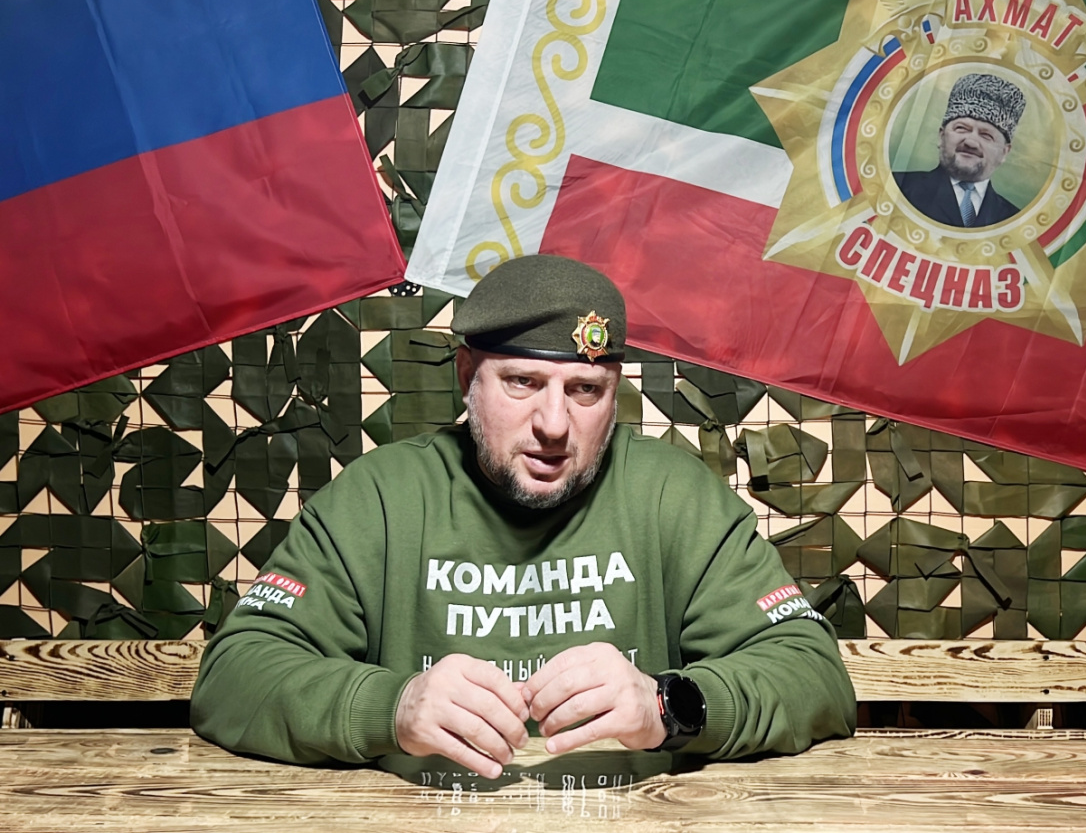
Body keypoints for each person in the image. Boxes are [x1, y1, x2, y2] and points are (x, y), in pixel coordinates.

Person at [190, 254, 856, 779]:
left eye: (585, 390)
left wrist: (667, 706)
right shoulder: (380, 500)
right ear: (467, 378)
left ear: (615, 393)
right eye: (522, 383)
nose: (554, 424)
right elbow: (234, 674)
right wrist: (392, 707)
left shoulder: (675, 497)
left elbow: (813, 671)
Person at [893, 73, 1026, 228]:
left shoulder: (1017, 222)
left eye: (986, 135)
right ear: (941, 136)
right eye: (961, 128)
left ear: (1004, 152)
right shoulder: (894, 188)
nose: (971, 142)